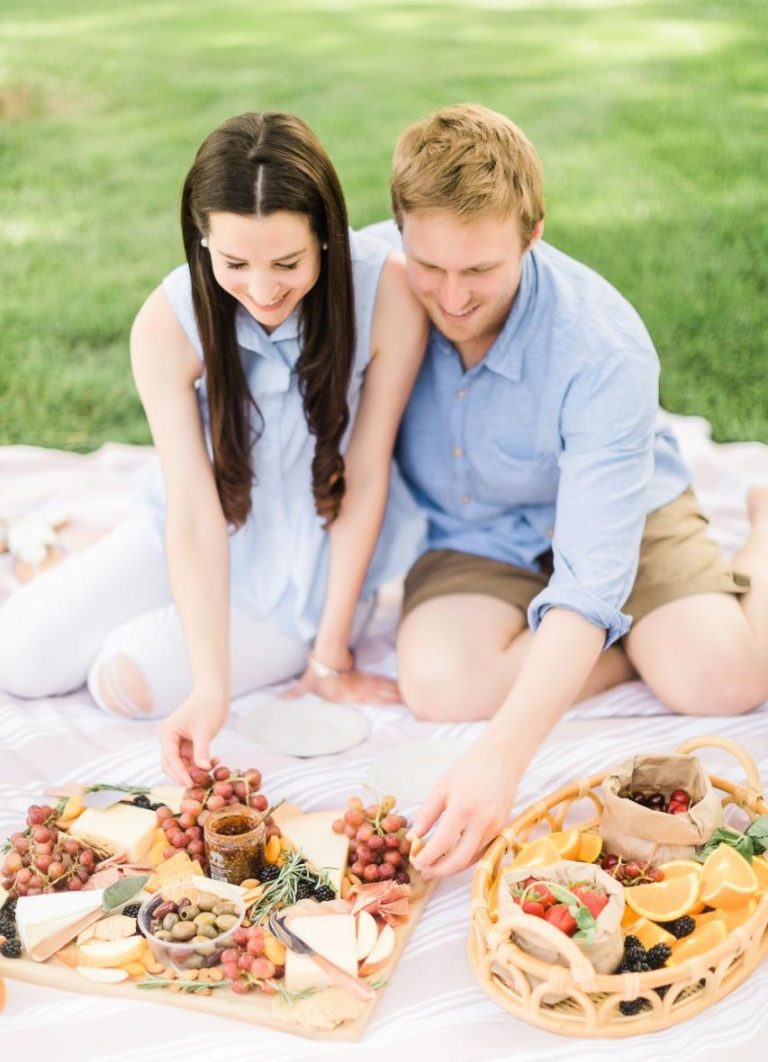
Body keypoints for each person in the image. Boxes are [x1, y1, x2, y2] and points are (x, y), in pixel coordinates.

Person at [371, 103, 768, 879]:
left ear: (533, 232)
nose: (451, 299)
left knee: (722, 681)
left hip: (626, 513)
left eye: (480, 270)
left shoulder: (604, 348)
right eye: (431, 267)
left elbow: (590, 572)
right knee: (439, 685)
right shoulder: (368, 273)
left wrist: (497, 763)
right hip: (479, 527)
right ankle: (625, 645)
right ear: (399, 233)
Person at [0, 111, 427, 783]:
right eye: (235, 263)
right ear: (201, 243)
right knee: (19, 656)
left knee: (125, 680)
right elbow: (195, 515)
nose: (263, 291)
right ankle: (103, 573)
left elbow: (366, 476)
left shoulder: (390, 292)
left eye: (288, 262)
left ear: (327, 236)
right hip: (200, 527)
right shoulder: (167, 323)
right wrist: (209, 683)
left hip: (306, 569)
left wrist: (329, 653)